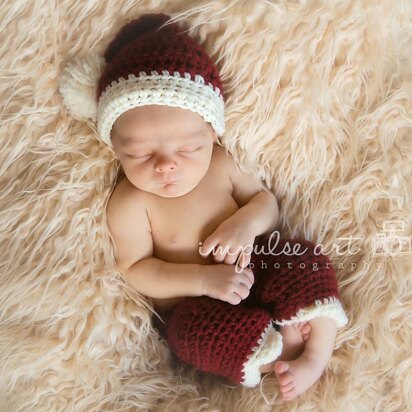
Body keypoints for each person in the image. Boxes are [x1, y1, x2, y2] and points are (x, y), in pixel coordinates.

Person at [59, 13, 348, 400]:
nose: (165, 165)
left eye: (187, 148)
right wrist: (202, 280)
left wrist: (245, 224)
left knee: (301, 256)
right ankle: (272, 355)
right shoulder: (131, 202)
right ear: (115, 145)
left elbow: (266, 204)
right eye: (139, 152)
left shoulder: (222, 165)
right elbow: (137, 270)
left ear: (211, 133)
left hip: (253, 264)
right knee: (189, 336)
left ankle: (315, 352)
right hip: (195, 303)